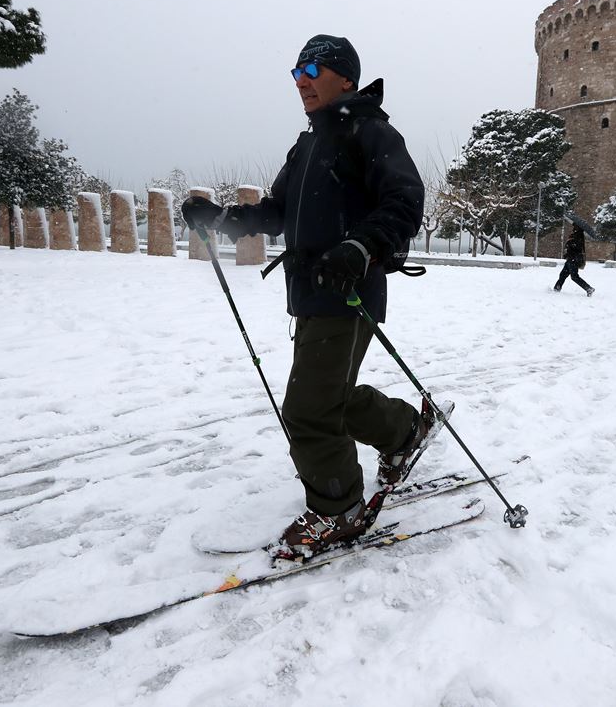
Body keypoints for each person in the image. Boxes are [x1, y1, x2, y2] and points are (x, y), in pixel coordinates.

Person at [181, 34, 432, 560]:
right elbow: (277, 210)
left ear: (346, 78)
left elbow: (405, 201)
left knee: (309, 408)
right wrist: (224, 219)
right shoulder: (309, 143)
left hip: (350, 291)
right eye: (296, 70)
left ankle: (337, 508)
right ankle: (405, 429)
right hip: (311, 292)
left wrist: (361, 247)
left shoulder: (371, 133)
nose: (301, 79)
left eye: (313, 68)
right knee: (329, 397)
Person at [553, 223, 595, 296]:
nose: (573, 227)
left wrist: (571, 244)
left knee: (574, 277)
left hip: (574, 259)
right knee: (563, 274)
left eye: (575, 226)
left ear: (578, 227)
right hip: (571, 258)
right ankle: (557, 288)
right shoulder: (575, 235)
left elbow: (577, 248)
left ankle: (588, 288)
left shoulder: (579, 236)